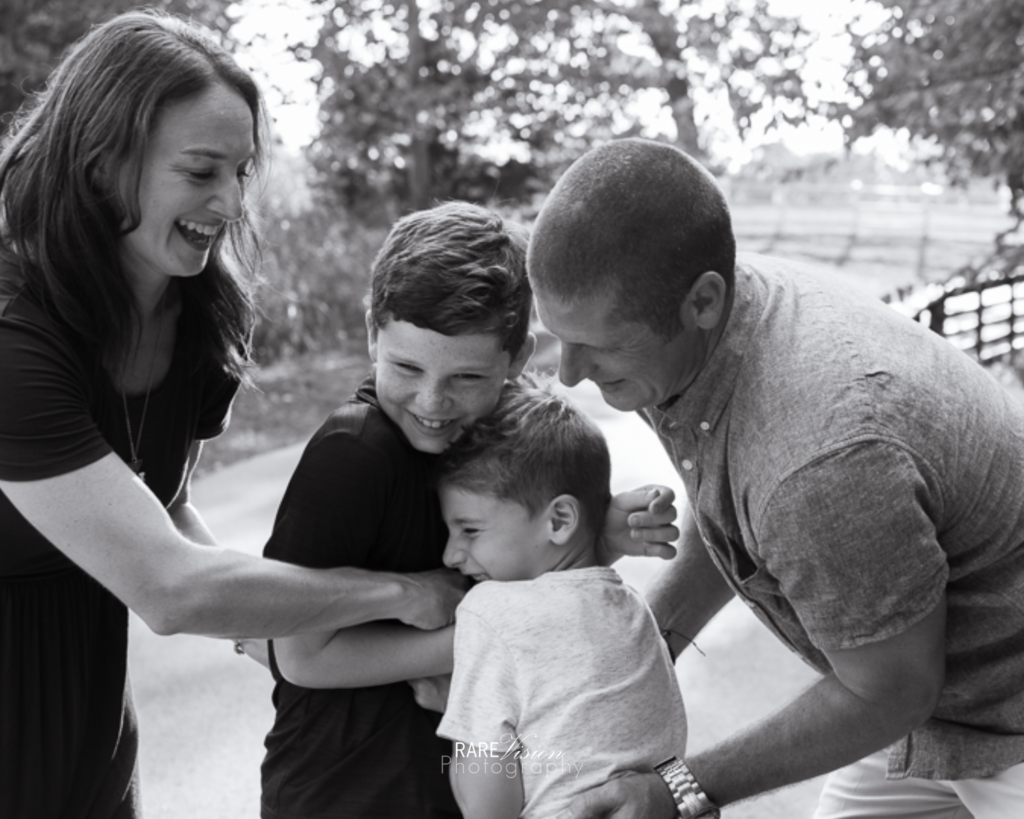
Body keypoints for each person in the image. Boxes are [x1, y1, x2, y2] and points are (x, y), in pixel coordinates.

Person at [0, 12, 464, 818]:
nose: (229, 201)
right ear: (103, 163)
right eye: (201, 170)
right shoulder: (13, 339)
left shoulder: (199, 319)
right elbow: (170, 587)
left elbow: (162, 510)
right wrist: (399, 592)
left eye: (242, 171)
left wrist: (285, 639)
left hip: (95, 746)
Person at [526, 137, 1024, 819]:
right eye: (558, 335)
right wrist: (649, 641)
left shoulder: (819, 455)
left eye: (598, 346)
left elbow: (891, 688)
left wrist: (676, 788)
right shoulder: (694, 339)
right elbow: (734, 496)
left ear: (703, 299)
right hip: (933, 705)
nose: (570, 373)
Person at [258, 201, 680, 819]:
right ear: (372, 332)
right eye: (405, 366)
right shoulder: (354, 454)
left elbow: (509, 562)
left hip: (463, 783)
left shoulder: (496, 440)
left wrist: (596, 533)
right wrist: (492, 648)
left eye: (467, 378)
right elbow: (300, 655)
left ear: (515, 360)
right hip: (347, 788)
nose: (432, 401)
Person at [434, 379, 688, 819]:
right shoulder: (633, 607)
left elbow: (489, 809)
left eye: (470, 530)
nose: (451, 554)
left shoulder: (489, 608)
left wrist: (464, 728)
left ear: (560, 520)